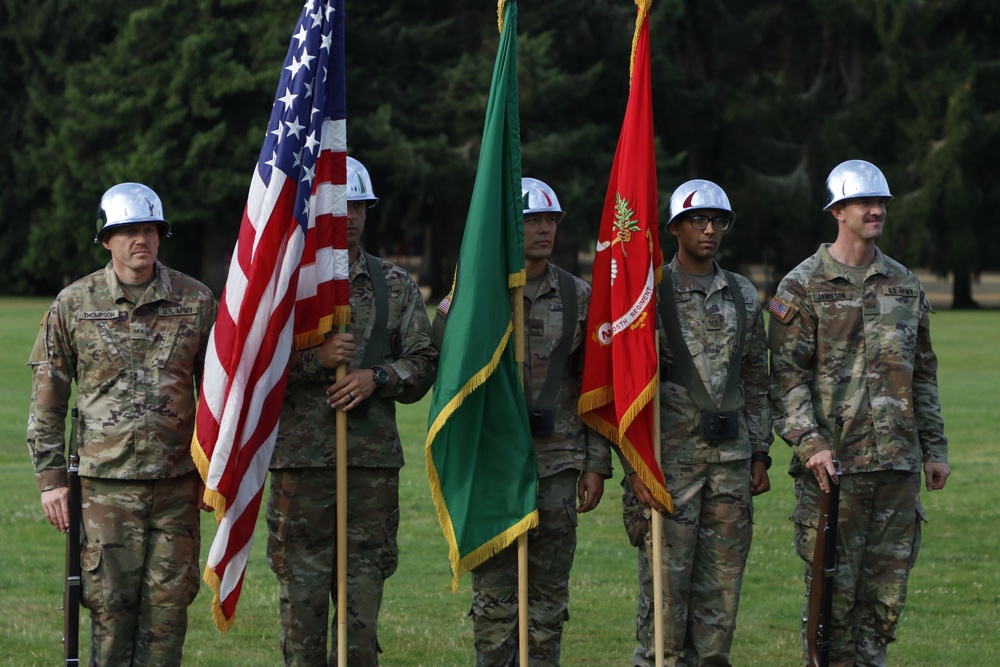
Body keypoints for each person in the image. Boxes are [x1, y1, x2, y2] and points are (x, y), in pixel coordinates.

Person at [768, 159, 950, 667]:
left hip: (897, 468)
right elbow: (785, 378)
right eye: (865, 203)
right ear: (838, 211)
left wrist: (934, 449)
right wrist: (811, 444)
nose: (876, 211)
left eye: (883, 203)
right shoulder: (802, 286)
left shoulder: (903, 284)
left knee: (884, 604)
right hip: (836, 473)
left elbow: (924, 374)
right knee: (832, 607)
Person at [26, 182, 217, 665]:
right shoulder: (73, 303)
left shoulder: (195, 301)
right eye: (128, 230)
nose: (141, 240)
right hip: (104, 490)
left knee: (168, 617)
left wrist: (216, 472)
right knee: (110, 617)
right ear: (106, 239)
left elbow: (218, 394)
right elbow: (48, 396)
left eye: (150, 229)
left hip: (177, 488)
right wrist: (51, 481)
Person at [432, 177, 612, 666]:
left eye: (551, 220)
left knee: (548, 603)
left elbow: (592, 387)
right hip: (494, 465)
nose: (544, 229)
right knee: (494, 604)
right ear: (510, 227)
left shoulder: (578, 295)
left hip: (557, 465)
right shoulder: (475, 296)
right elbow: (443, 369)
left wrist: (596, 465)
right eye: (532, 219)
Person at [266, 156, 438, 666]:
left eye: (359, 206)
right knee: (302, 611)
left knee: (361, 616)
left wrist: (376, 377)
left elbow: (424, 362)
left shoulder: (395, 285)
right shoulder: (289, 283)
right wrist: (313, 361)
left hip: (369, 469)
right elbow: (255, 369)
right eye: (341, 207)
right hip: (302, 469)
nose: (352, 217)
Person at [621, 179, 772, 666]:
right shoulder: (649, 294)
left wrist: (762, 452)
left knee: (721, 595)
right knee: (664, 594)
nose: (709, 230)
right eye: (697, 221)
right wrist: (634, 464)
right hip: (670, 465)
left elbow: (755, 376)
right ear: (674, 229)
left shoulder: (744, 293)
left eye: (718, 222)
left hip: (731, 465)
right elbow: (626, 385)